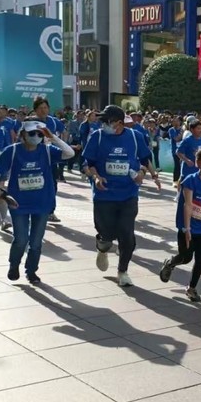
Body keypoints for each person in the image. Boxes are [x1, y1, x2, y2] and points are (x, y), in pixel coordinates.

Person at [0, 118, 75, 283]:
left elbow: (69, 153)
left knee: (36, 242)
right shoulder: (12, 151)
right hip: (18, 203)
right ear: (23, 134)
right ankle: (14, 264)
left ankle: (31, 271)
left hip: (42, 203)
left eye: (39, 134)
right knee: (21, 239)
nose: (36, 137)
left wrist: (52, 137)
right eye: (32, 133)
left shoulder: (47, 150)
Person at [83, 105, 150, 287]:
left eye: (107, 121)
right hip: (104, 195)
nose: (103, 124)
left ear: (119, 123)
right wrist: (96, 177)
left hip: (128, 194)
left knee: (127, 235)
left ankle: (123, 271)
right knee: (106, 233)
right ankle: (102, 248)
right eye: (102, 121)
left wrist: (142, 173)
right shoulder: (97, 137)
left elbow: (145, 160)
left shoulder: (135, 137)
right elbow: (88, 163)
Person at [159, 147, 201, 302]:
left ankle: (191, 288)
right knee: (185, 257)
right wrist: (187, 228)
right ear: (198, 162)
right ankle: (170, 263)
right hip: (187, 226)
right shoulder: (190, 180)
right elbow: (188, 205)